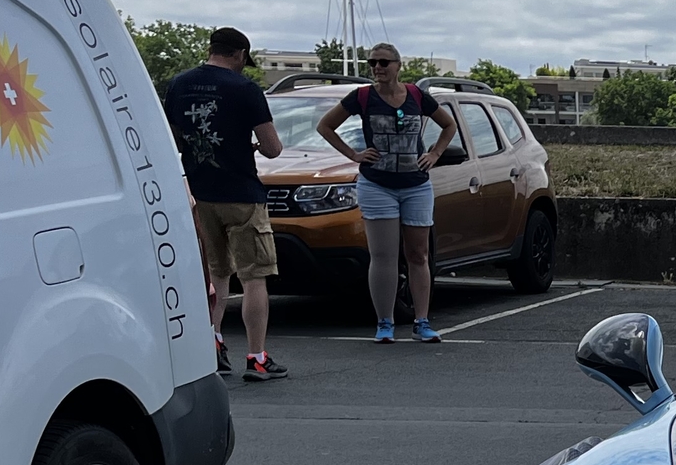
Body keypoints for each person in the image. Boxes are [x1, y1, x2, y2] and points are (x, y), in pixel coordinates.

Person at [162, 27, 286, 380]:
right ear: (240, 55)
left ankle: (213, 344)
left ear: (212, 49)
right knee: (254, 276)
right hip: (242, 194)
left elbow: (174, 139)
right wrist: (254, 147)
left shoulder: (179, 84)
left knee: (217, 273)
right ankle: (256, 356)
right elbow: (273, 147)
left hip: (202, 193)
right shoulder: (245, 89)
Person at [317, 44, 460, 342]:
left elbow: (448, 125)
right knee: (383, 255)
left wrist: (434, 154)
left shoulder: (417, 96)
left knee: (418, 254)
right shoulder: (362, 97)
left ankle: (422, 321)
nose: (377, 68)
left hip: (416, 185)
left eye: (383, 62)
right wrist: (354, 154)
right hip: (377, 185)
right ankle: (385, 322)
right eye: (372, 63)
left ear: (397, 65)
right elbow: (326, 126)